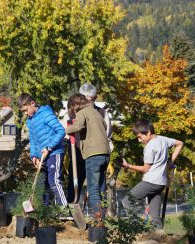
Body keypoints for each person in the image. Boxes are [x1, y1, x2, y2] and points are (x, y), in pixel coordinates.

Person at [121, 119, 183, 229]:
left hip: (151, 182)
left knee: (127, 201)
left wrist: (128, 165)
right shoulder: (163, 139)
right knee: (155, 216)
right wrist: (170, 162)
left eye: (140, 137)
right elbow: (180, 144)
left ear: (148, 132)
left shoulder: (149, 147)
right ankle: (159, 236)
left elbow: (145, 169)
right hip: (161, 183)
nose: (139, 140)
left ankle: (136, 230)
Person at [65, 93, 111, 221]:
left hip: (93, 154)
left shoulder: (82, 113)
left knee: (93, 188)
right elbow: (105, 127)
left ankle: (98, 218)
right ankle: (103, 215)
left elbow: (77, 127)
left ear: (75, 105)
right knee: (101, 186)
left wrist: (67, 129)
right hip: (105, 153)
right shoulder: (96, 112)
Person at [18, 93, 68, 206]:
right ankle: (45, 212)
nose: (26, 113)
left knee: (54, 182)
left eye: (26, 110)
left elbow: (61, 131)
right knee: (42, 185)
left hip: (54, 153)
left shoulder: (46, 114)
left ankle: (65, 209)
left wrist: (49, 147)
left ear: (32, 103)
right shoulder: (29, 121)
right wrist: (34, 156)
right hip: (42, 156)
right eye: (23, 112)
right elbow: (33, 140)